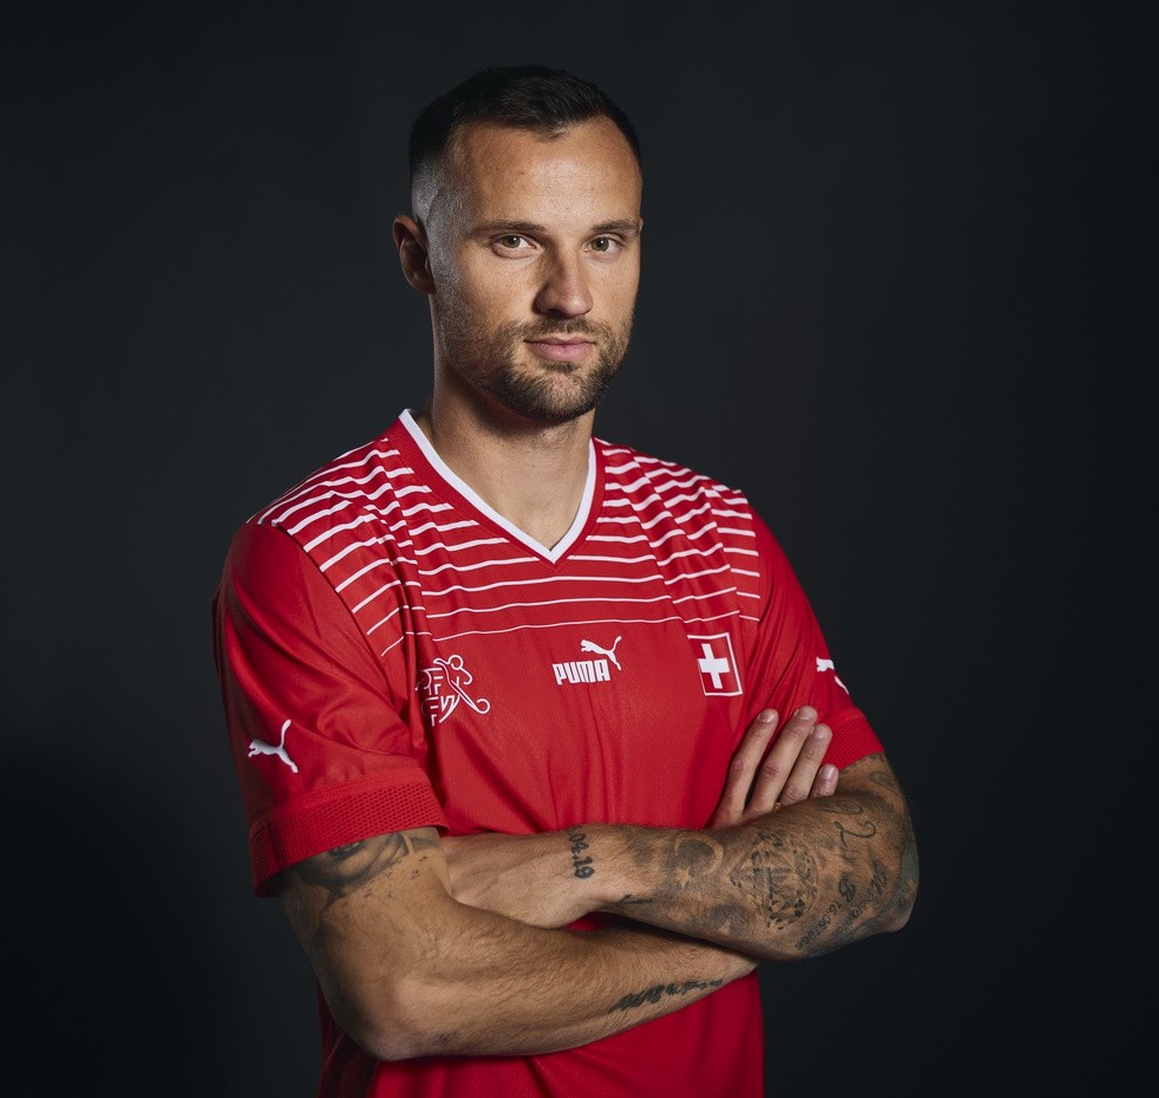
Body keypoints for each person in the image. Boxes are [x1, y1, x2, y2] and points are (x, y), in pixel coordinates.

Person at [212, 62, 918, 1098]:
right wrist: (756, 921)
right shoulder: (316, 556)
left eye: (606, 241)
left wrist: (599, 863)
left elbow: (884, 867)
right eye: (514, 240)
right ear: (419, 258)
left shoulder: (716, 534)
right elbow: (405, 992)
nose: (571, 295)